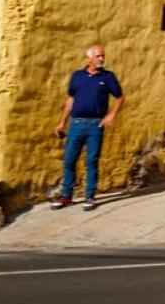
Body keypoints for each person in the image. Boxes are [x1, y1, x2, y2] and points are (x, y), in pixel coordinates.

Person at [52, 44, 124, 211]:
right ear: (89, 58)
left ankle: (90, 197)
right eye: (98, 56)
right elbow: (71, 99)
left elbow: (120, 97)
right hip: (76, 123)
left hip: (95, 125)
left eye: (103, 56)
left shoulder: (108, 77)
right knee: (69, 160)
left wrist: (111, 115)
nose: (101, 59)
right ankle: (66, 196)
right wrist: (62, 122)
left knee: (91, 161)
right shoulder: (77, 76)